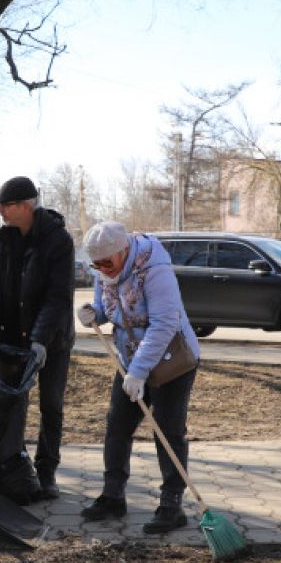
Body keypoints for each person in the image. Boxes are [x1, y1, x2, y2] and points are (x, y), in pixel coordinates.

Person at [75, 221, 201, 534]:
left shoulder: (155, 270)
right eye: (96, 264)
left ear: (124, 251)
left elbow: (164, 324)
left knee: (168, 431)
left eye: (107, 262)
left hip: (172, 359)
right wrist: (93, 313)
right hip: (130, 361)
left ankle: (172, 505)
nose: (102, 270)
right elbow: (107, 308)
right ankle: (113, 496)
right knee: (117, 425)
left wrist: (139, 372)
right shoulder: (104, 271)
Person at [0, 176, 75, 499]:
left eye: (5, 206)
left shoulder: (58, 240)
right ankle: (11, 468)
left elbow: (58, 297)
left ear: (25, 206)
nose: (0, 212)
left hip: (52, 342)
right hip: (11, 339)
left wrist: (39, 340)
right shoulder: (2, 240)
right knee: (10, 405)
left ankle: (46, 472)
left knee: (51, 405)